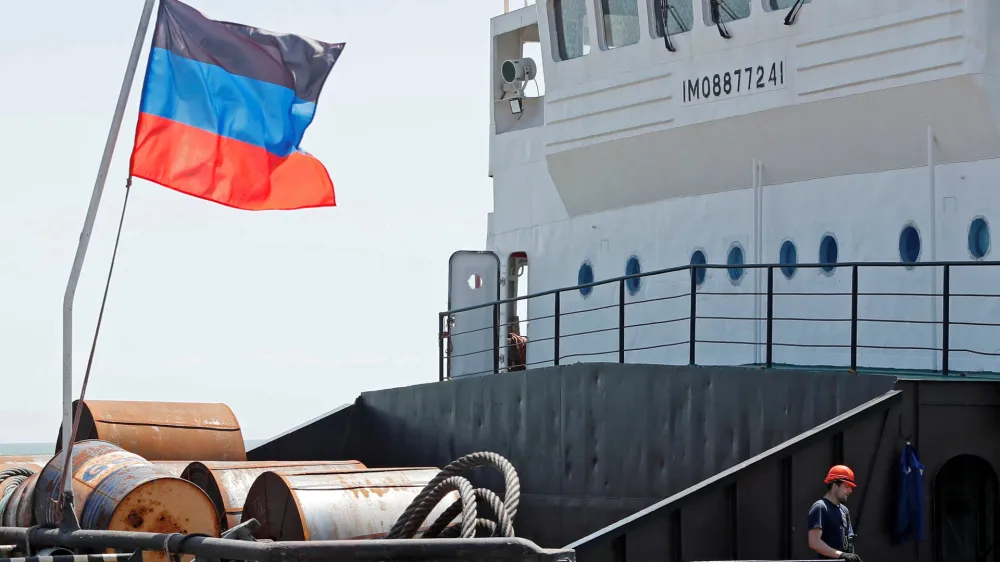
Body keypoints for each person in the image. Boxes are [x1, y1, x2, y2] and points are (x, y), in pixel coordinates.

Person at [807, 465, 862, 561]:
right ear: (835, 485)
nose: (850, 490)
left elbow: (848, 544)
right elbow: (814, 542)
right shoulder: (820, 507)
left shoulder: (844, 511)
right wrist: (841, 555)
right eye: (847, 486)